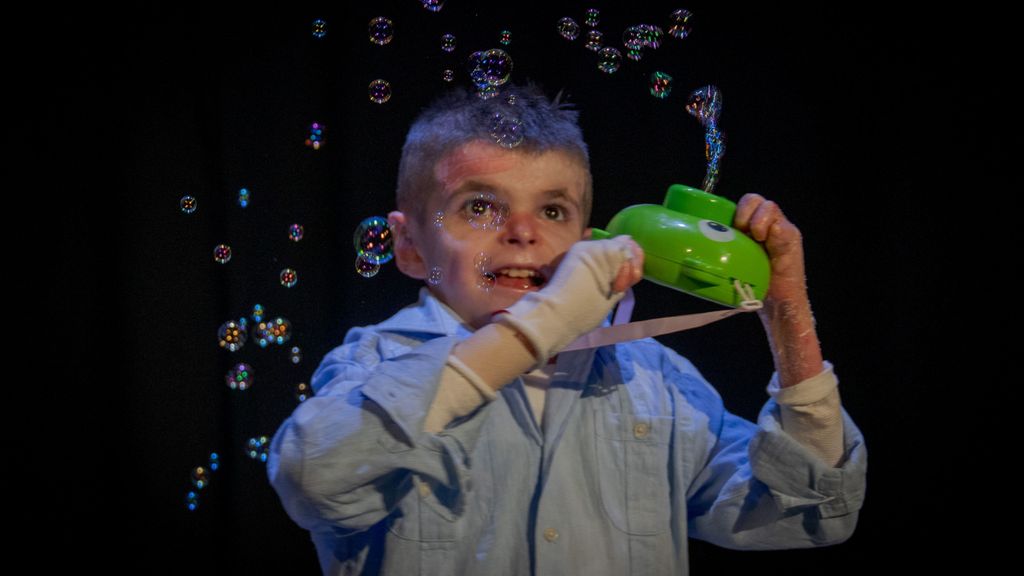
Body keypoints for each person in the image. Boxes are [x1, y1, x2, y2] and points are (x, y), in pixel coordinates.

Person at [268, 85, 866, 575]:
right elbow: (312, 478)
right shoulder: (372, 363)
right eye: (480, 207)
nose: (523, 232)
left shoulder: (657, 382)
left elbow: (812, 513)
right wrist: (541, 325)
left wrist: (788, 312)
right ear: (407, 246)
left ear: (587, 241)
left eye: (553, 211)